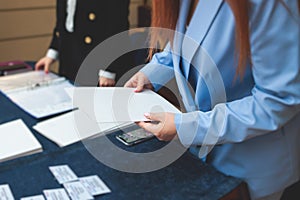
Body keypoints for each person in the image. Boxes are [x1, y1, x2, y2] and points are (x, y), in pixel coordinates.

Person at [125, 0, 300, 199]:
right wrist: (150, 75)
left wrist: (188, 127)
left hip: (252, 165)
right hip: (205, 155)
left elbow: (278, 100)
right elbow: (182, 44)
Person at [35, 0, 131, 86]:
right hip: (71, 57)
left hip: (100, 64)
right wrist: (53, 52)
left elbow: (117, 26)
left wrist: (109, 70)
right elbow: (63, 19)